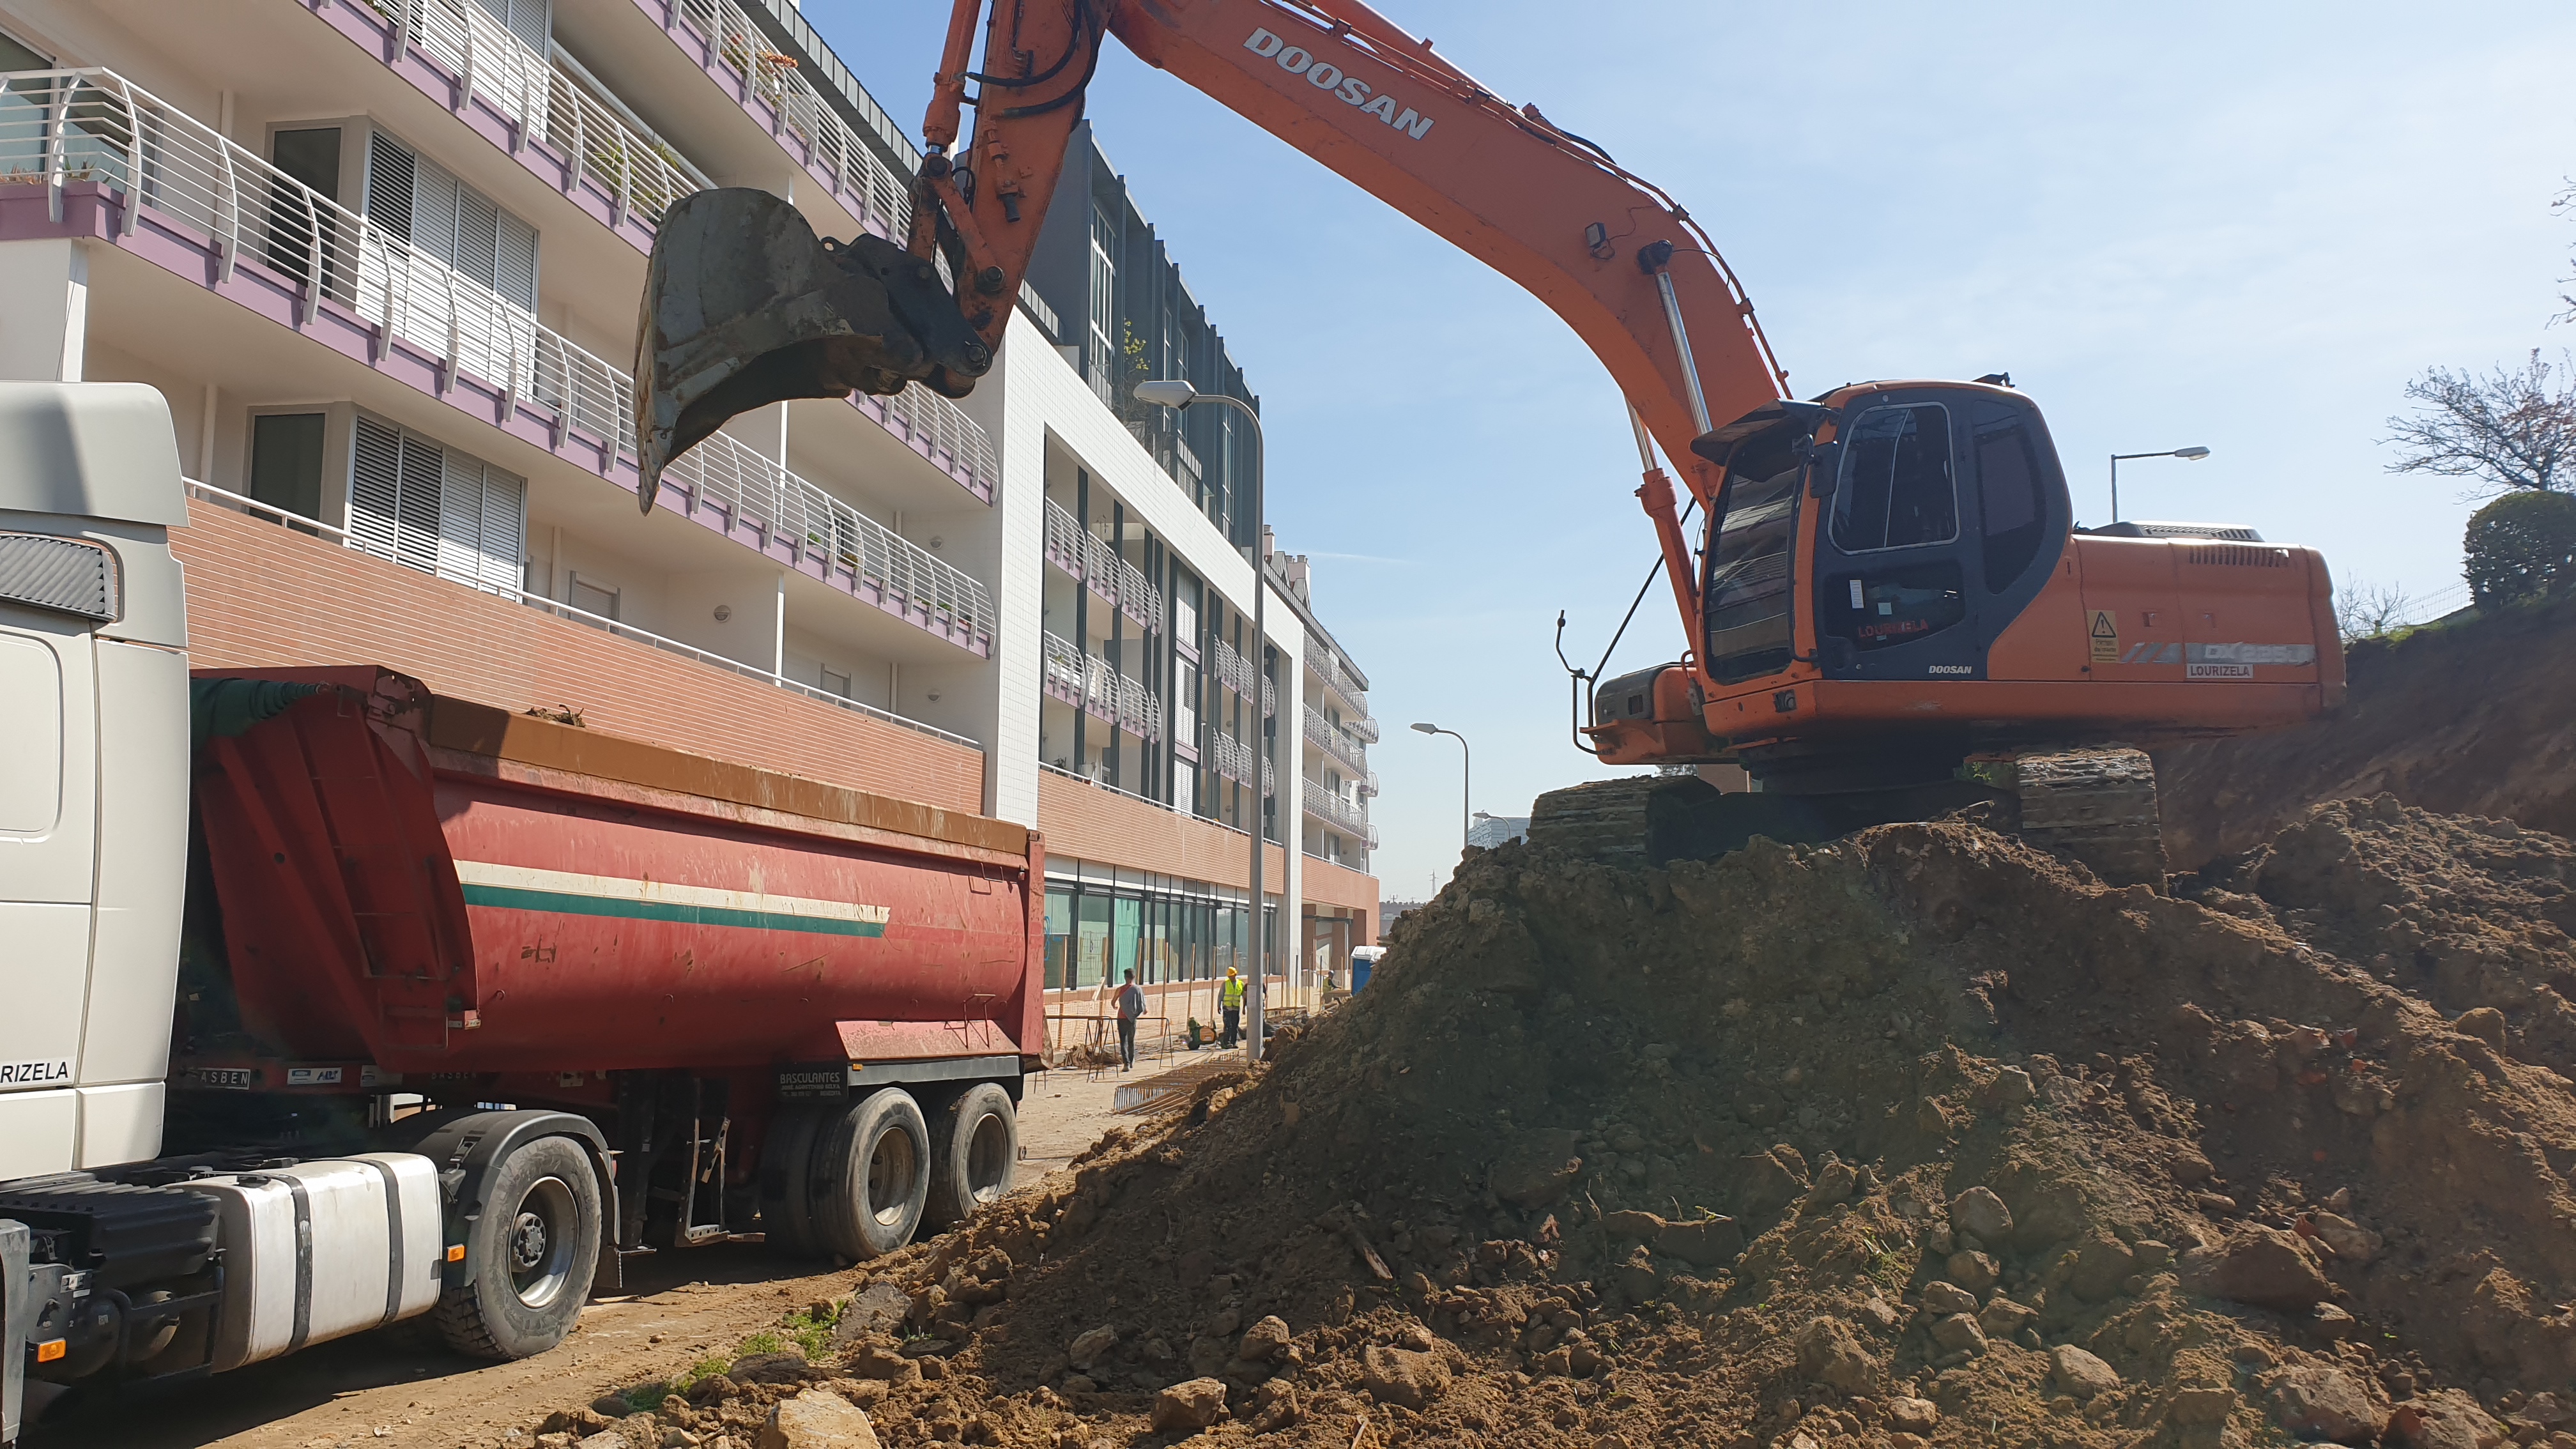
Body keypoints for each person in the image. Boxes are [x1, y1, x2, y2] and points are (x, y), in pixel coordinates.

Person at [1114, 970, 1146, 1071]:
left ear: (1125, 977)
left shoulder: (1120, 990)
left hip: (1121, 1018)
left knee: (1123, 1042)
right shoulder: (1138, 989)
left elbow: (1113, 1002)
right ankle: (1131, 1060)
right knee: (1131, 1040)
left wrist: (1116, 1005)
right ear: (1134, 977)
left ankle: (1126, 1063)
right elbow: (1143, 1004)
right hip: (1132, 1018)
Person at [1219, 965, 1246, 1050]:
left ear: (1235, 975)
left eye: (1231, 976)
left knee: (1235, 1026)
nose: (1230, 977)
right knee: (1228, 1026)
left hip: (1236, 1008)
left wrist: (1244, 1008)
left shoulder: (1240, 984)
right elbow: (1221, 995)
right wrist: (1218, 1006)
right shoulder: (1225, 984)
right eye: (1229, 976)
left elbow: (1244, 996)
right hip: (1227, 1008)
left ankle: (1233, 1043)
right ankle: (1226, 1043)